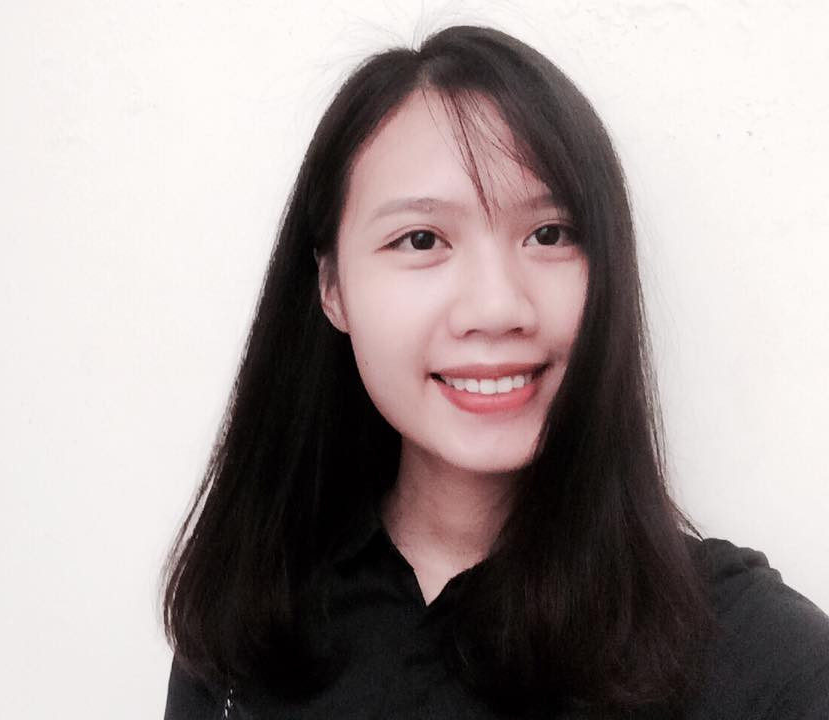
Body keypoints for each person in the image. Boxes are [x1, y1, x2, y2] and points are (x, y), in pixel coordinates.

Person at [160, 25, 829, 719]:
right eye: (421, 239)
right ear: (332, 287)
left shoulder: (765, 662)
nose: (497, 307)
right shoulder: (248, 624)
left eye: (549, 234)